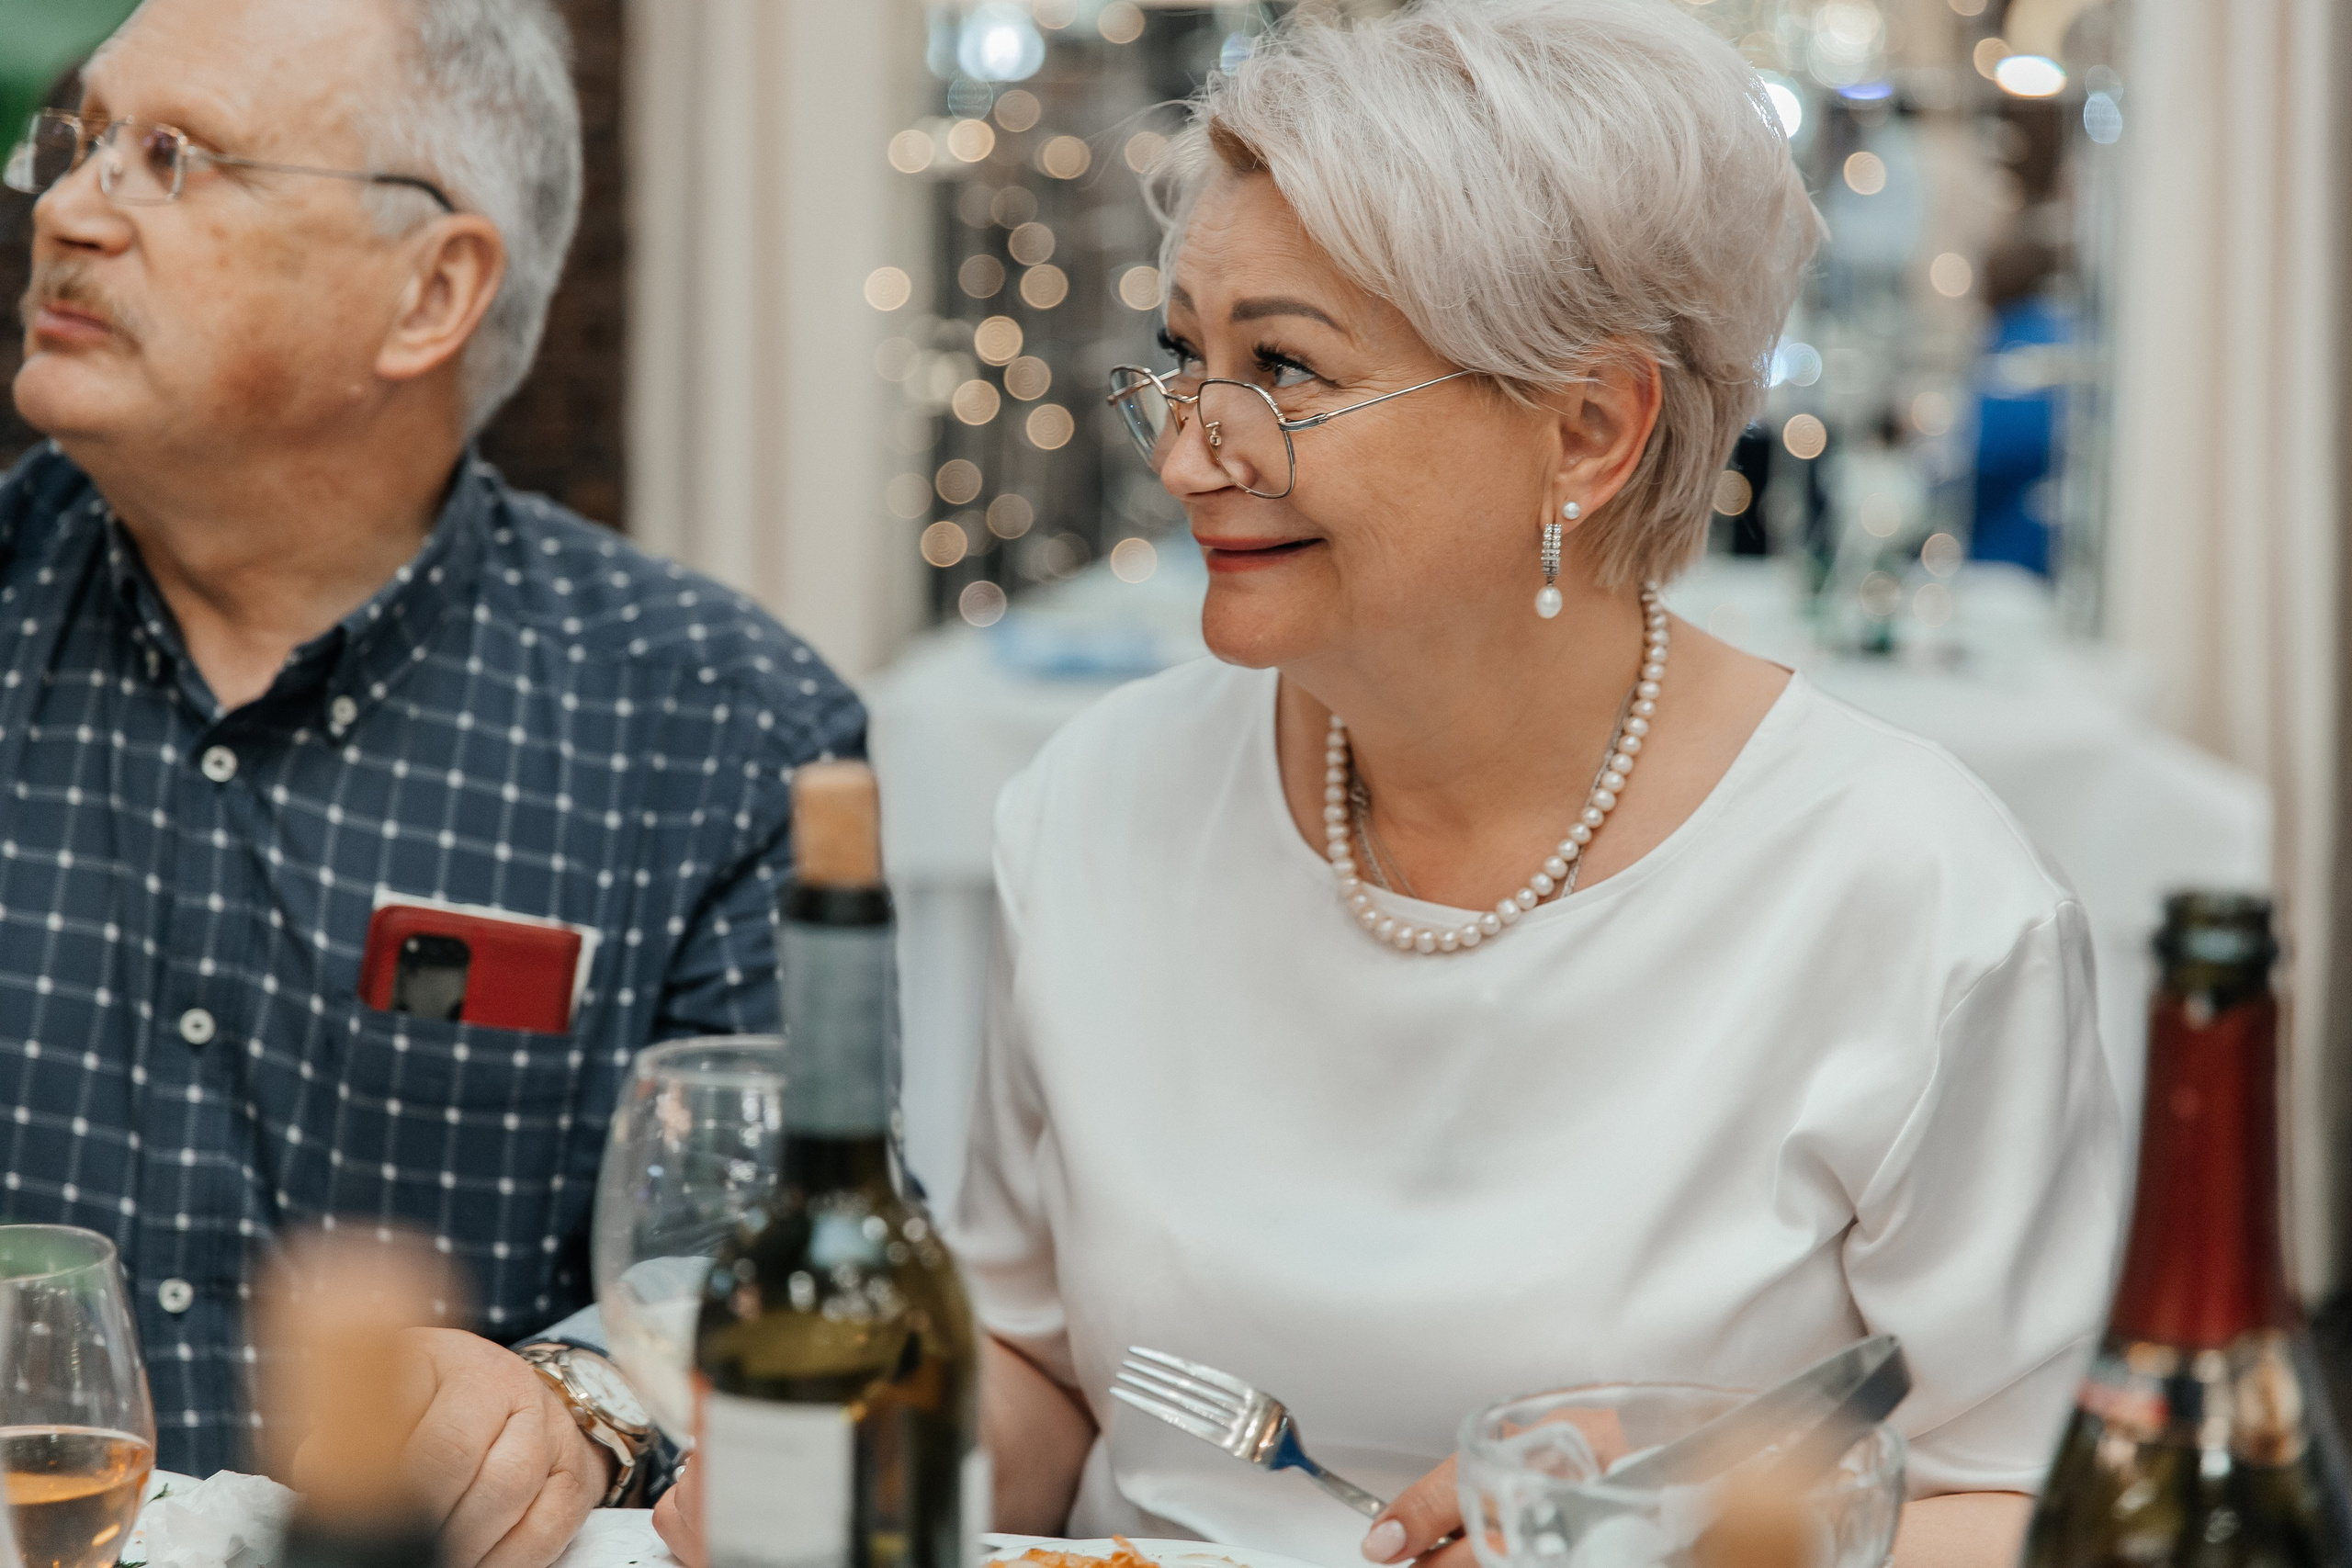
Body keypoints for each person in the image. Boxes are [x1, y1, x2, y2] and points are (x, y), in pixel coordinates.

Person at [941, 5, 2120, 1568]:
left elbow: (2022, 1503)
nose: (1188, 456)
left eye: (1283, 372)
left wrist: (1702, 1543)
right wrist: (881, 1455)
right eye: (1186, 363)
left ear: (1588, 430)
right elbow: (1030, 1363)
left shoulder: (1918, 902)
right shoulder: (1094, 805)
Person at [0, 0, 861, 1563]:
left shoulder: (718, 726)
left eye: (170, 159)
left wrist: (583, 1399)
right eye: (76, 142)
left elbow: (803, 1254)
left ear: (433, 290)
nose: (65, 206)